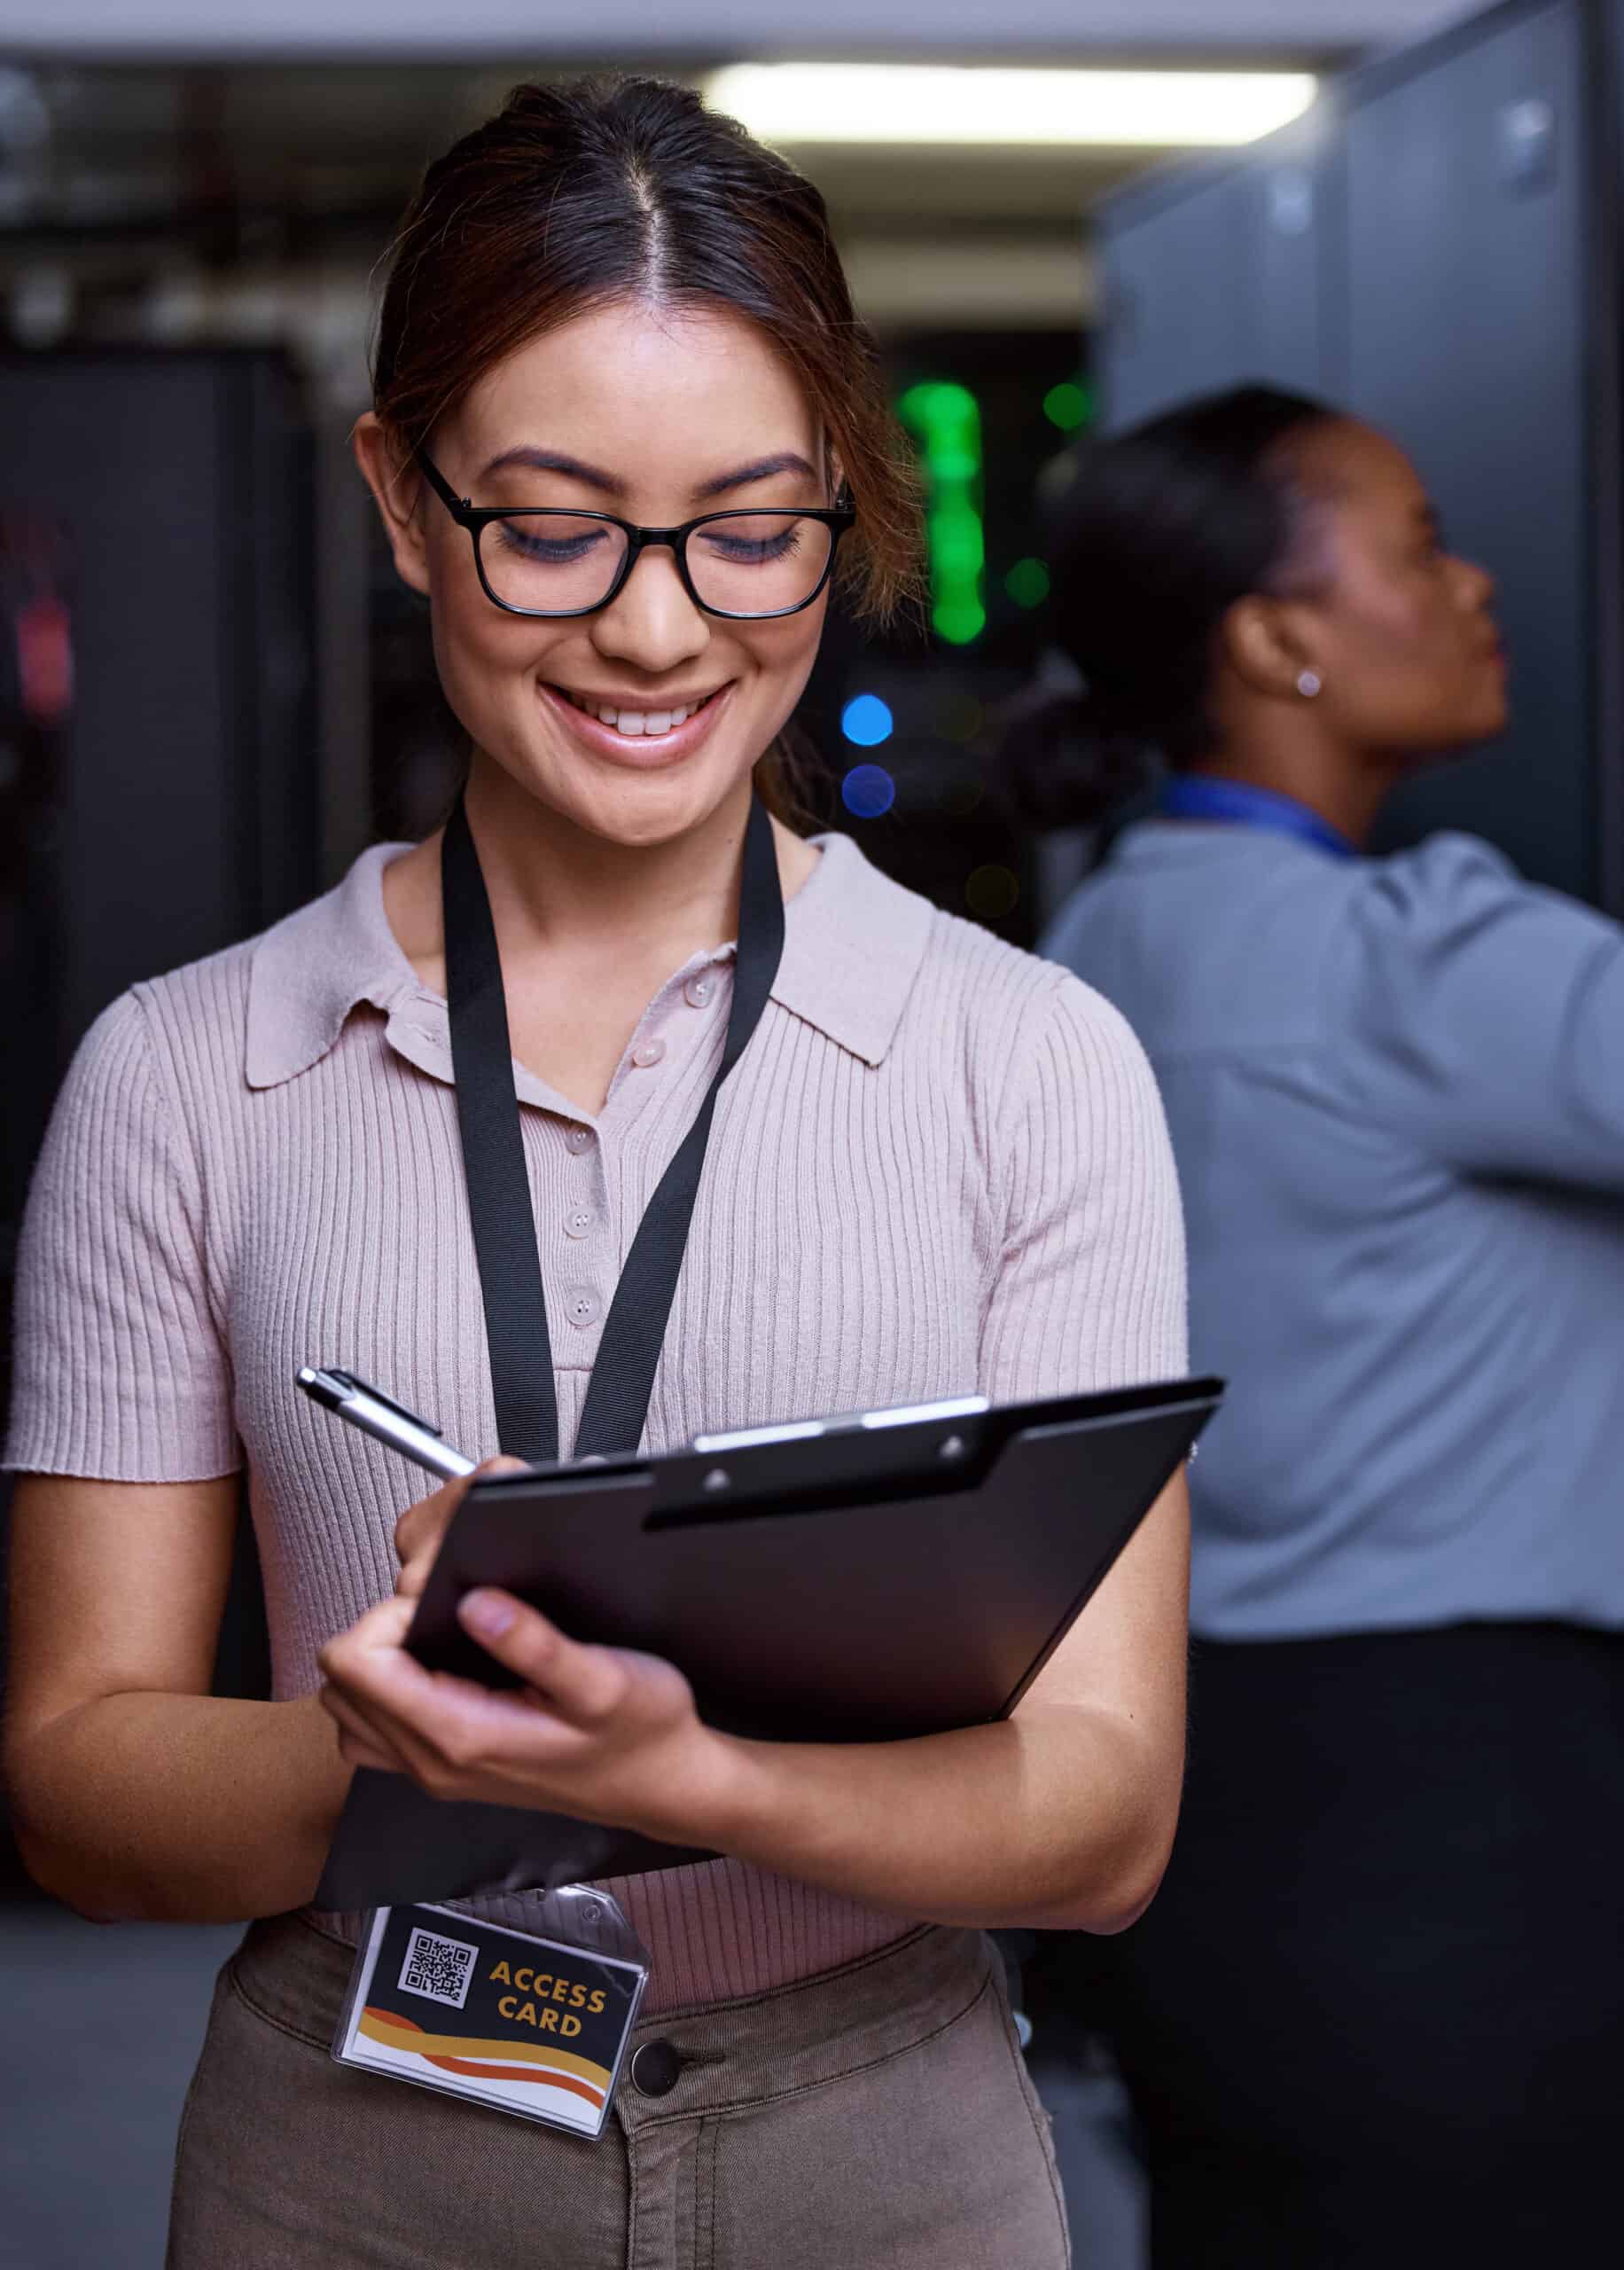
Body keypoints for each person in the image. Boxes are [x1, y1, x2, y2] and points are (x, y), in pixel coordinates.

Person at [3, 79, 1191, 2270]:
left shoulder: (1027, 1061)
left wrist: (658, 1766)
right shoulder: (184, 1073)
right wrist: (391, 1754)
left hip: (884, 2144)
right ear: (400, 495)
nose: (658, 633)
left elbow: (1103, 1820)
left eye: (752, 528)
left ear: (841, 505)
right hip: (352, 2141)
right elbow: (76, 1781)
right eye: (553, 525)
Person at [1016, 384, 1624, 2266]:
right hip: (1459, 1821)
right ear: (1273, 638)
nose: (1474, 580)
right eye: (1421, 541)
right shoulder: (1422, 961)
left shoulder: (1098, 942)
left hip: (1184, 1811)